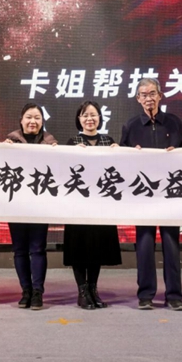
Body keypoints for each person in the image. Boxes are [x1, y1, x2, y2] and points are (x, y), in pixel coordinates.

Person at [120, 78, 182, 311]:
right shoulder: (131, 125)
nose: (148, 98)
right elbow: (121, 160)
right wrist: (133, 154)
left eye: (152, 93)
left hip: (169, 194)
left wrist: (176, 152)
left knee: (171, 245)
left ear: (160, 95)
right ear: (138, 99)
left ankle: (174, 295)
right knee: (145, 245)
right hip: (144, 195)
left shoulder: (173, 122)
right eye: (143, 94)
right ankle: (145, 295)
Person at [64, 101, 122, 310]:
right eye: (85, 115)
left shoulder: (109, 141)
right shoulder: (72, 142)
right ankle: (82, 291)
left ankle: (93, 289)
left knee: (96, 248)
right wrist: (71, 153)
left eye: (93, 114)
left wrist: (120, 152)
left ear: (100, 117)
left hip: (101, 205)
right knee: (79, 248)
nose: (89, 119)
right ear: (79, 119)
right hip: (78, 206)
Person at [4, 103, 57, 310]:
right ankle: (25, 291)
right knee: (19, 250)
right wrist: (2, 150)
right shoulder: (10, 142)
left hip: (39, 205)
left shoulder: (51, 144)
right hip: (15, 205)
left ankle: (37, 292)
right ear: (21, 120)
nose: (32, 121)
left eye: (37, 117)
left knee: (37, 249)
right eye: (28, 117)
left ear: (42, 121)